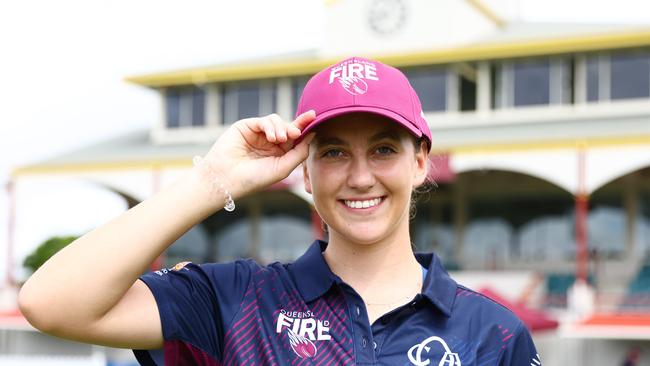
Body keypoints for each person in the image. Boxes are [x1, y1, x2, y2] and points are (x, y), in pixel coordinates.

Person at [18, 56, 541, 365]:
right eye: (334, 152)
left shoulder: (493, 332)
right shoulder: (235, 301)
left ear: (420, 162)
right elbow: (53, 303)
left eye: (383, 149)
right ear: (305, 172)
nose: (360, 177)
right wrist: (212, 181)